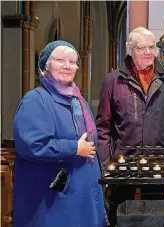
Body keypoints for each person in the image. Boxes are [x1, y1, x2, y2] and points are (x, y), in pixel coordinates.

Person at [13, 40, 106, 227]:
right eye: (60, 60)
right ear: (45, 65)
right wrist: (74, 148)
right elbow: (32, 145)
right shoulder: (35, 100)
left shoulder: (78, 100)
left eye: (72, 62)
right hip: (52, 200)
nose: (67, 66)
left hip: (83, 195)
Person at [96, 27, 164, 226]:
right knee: (119, 217)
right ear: (129, 50)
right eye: (141, 48)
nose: (148, 52)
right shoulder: (112, 81)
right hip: (122, 165)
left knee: (155, 217)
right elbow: (103, 126)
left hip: (157, 163)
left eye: (152, 47)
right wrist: (106, 163)